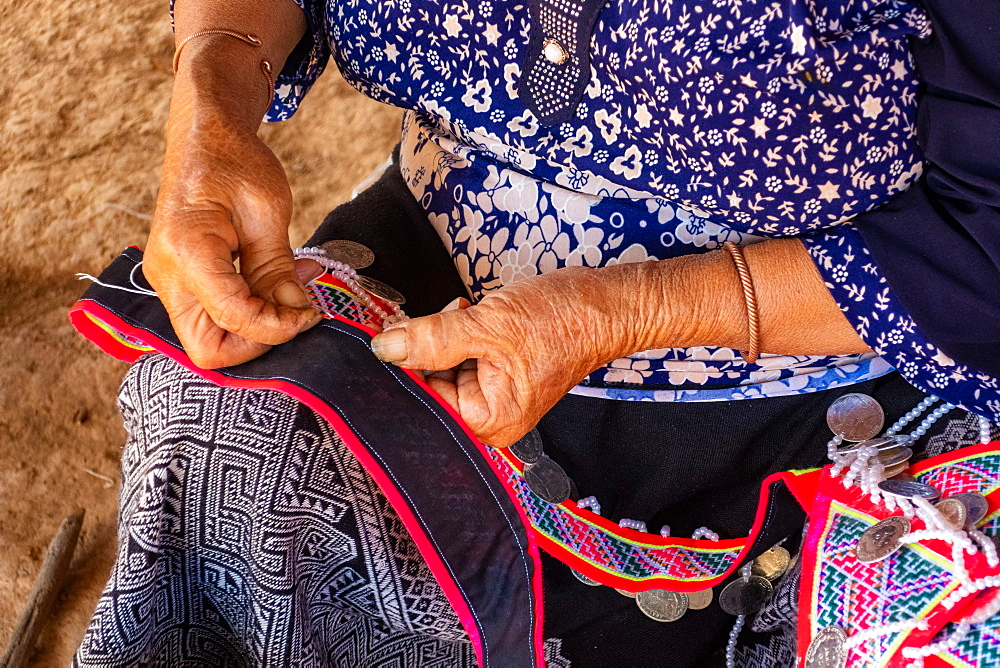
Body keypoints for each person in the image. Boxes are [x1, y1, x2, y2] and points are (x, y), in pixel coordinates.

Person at [74, 0, 1000, 665]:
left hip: (850, 350)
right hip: (440, 285)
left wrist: (620, 312)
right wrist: (216, 85)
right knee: (226, 424)